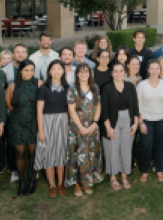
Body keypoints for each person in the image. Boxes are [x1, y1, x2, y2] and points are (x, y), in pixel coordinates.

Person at [65, 63, 102, 196]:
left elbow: (98, 106)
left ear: (90, 73)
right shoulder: (72, 89)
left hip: (92, 127)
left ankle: (87, 182)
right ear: (76, 74)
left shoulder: (95, 88)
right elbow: (71, 110)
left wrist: (95, 123)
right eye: (80, 71)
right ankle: (77, 184)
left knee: (89, 153)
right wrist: (81, 127)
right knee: (77, 155)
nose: (83, 74)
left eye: (86, 71)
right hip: (77, 128)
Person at [34, 60, 69, 198]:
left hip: (63, 122)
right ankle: (52, 185)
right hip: (48, 122)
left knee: (60, 153)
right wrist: (41, 130)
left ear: (63, 71)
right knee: (48, 153)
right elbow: (39, 111)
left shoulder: (67, 88)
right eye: (54, 69)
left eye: (59, 68)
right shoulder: (43, 88)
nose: (56, 71)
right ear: (49, 71)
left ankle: (60, 183)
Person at [101, 63, 139, 190]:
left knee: (126, 147)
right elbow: (104, 110)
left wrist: (135, 123)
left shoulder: (130, 86)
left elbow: (135, 106)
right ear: (111, 73)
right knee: (113, 148)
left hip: (127, 119)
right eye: (115, 71)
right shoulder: (106, 88)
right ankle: (113, 177)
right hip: (112, 121)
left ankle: (124, 175)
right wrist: (108, 127)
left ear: (124, 71)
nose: (118, 73)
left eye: (121, 71)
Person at [5, 59, 37, 196]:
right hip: (17, 124)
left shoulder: (38, 84)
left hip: (33, 124)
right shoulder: (13, 86)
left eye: (32, 70)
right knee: (20, 154)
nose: (29, 73)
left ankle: (32, 180)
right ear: (21, 71)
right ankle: (22, 181)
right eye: (26, 70)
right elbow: (9, 105)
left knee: (32, 154)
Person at [138, 60, 163, 182]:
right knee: (146, 146)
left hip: (161, 120)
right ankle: (144, 170)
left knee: (159, 146)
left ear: (160, 70)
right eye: (152, 68)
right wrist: (140, 123)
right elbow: (139, 105)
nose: (154, 71)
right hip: (146, 120)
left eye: (156, 68)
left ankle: (159, 170)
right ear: (148, 70)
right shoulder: (142, 85)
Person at [1, 44, 28, 183]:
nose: (20, 54)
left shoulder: (31, 68)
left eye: (23, 52)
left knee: (29, 143)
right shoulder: (5, 71)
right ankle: (13, 171)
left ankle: (28, 168)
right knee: (13, 143)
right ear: (13, 54)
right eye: (17, 52)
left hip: (29, 114)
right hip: (12, 113)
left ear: (27, 54)